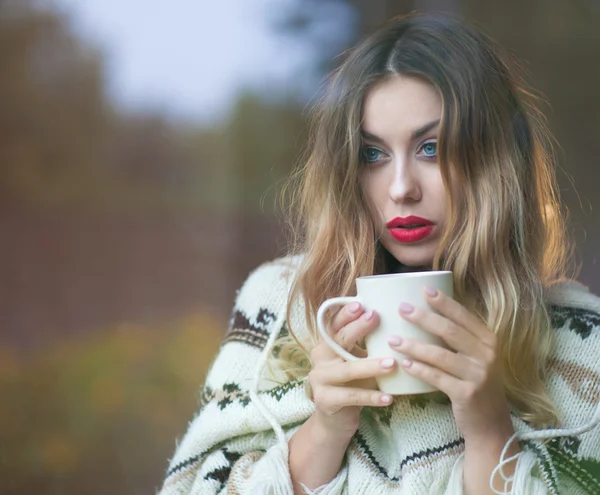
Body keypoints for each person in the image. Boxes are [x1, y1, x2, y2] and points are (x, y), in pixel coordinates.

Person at [158, 13, 600, 495]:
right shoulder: (281, 304)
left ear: (495, 163)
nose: (401, 189)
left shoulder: (583, 344)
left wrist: (491, 431)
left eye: (431, 148)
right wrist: (325, 429)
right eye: (373, 155)